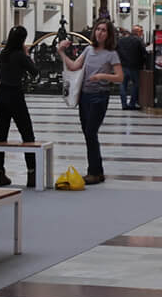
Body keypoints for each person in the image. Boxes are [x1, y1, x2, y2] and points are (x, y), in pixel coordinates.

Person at [61, 19, 123, 185]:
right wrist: (61, 52)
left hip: (99, 96)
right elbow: (74, 66)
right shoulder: (89, 50)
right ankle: (97, 171)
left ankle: (94, 172)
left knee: (90, 132)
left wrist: (102, 76)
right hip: (85, 96)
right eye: (98, 29)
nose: (100, 33)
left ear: (109, 35)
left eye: (104, 30)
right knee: (88, 134)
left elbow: (119, 77)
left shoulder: (111, 54)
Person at [0, 25, 39, 187]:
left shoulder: (0, 54)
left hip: (1, 97)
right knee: (27, 135)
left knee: (1, 136)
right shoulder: (20, 55)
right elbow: (34, 71)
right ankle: (32, 174)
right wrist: (27, 54)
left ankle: (0, 174)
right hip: (16, 97)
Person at [115, 23, 148, 110]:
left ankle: (124, 104)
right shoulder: (139, 40)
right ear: (138, 32)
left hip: (123, 66)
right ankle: (132, 103)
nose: (142, 33)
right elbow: (144, 53)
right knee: (135, 85)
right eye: (141, 31)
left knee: (123, 85)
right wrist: (144, 63)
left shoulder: (121, 40)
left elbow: (116, 51)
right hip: (135, 67)